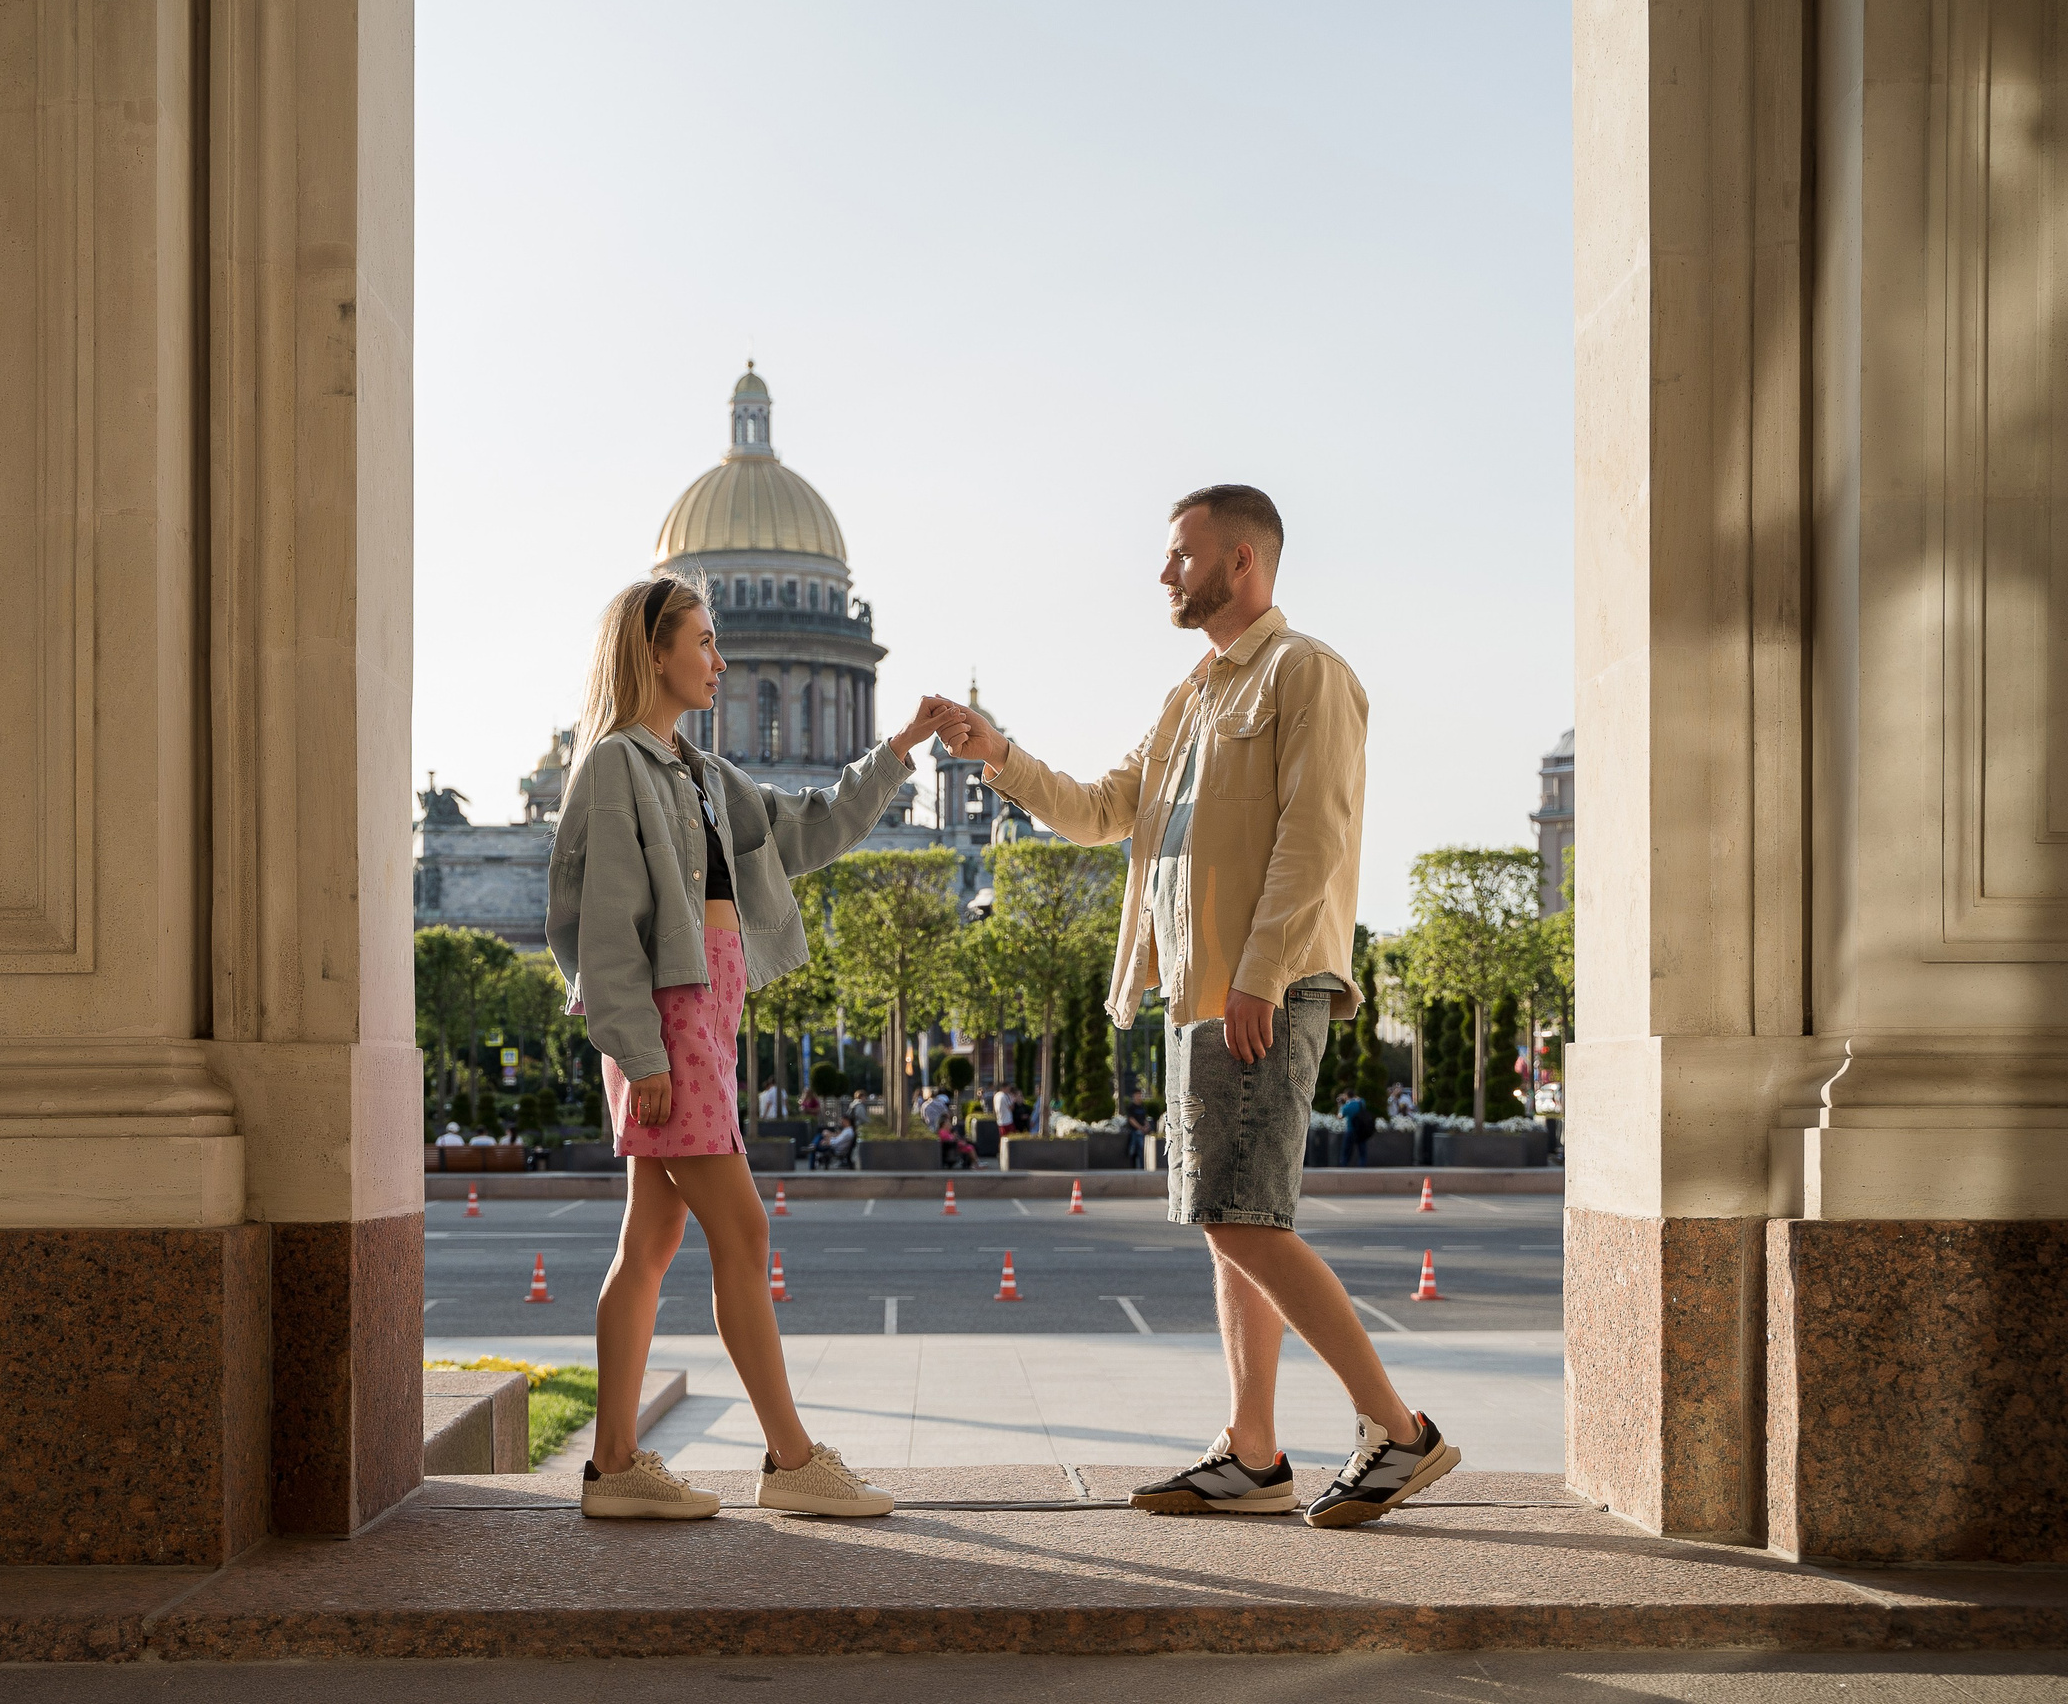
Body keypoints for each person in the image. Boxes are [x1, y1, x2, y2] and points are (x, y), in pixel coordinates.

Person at [930, 483, 1461, 1529]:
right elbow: (1097, 813)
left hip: (1257, 986)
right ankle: (1255, 1455)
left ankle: (1399, 1432)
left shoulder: (1306, 672)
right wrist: (998, 756)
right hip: (1200, 992)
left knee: (1244, 1221)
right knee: (1229, 1223)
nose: (1165, 573)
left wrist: (1260, 972)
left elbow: (1318, 832)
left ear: (1243, 562)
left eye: (1181, 554)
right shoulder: (1192, 697)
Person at [548, 573, 949, 1522]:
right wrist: (640, 1053)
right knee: (744, 1231)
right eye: (704, 641)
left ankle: (613, 1467)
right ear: (654, 650)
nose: (721, 662)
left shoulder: (704, 775)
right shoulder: (615, 765)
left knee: (648, 1245)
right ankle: (792, 1458)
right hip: (671, 1024)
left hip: (706, 1017)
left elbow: (808, 830)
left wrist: (896, 753)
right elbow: (601, 929)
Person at [1337, 1092, 1376, 1168]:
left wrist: (1340, 1105)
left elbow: (1340, 1116)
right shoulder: (1361, 1103)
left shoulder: (1347, 1106)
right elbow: (1360, 1099)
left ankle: (1343, 1166)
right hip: (1361, 1130)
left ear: (1346, 1096)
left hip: (1350, 1129)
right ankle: (1362, 1166)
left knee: (1346, 1151)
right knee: (1362, 1151)